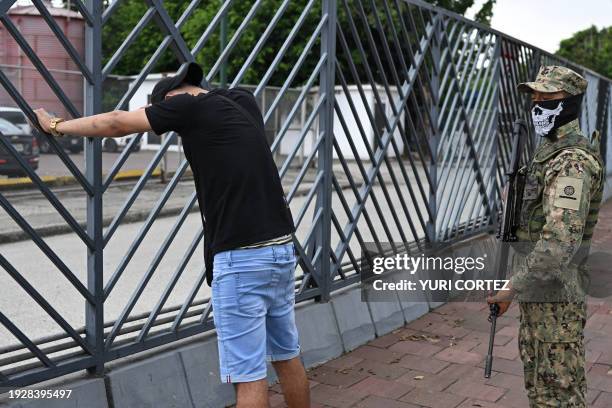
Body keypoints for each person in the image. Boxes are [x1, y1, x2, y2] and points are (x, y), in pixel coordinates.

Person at [34, 61, 310, 408]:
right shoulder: (243, 102)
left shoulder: (185, 107)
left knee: (248, 374)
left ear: (170, 101)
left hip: (241, 258)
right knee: (287, 355)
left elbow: (116, 122)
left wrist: (55, 125)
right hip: (281, 250)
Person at [487, 65, 604, 407]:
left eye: (547, 97)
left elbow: (557, 244)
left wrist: (512, 285)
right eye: (535, 96)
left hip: (558, 296)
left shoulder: (572, 163)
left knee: (559, 393)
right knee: (540, 385)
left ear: (569, 102)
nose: (537, 104)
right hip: (540, 290)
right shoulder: (547, 152)